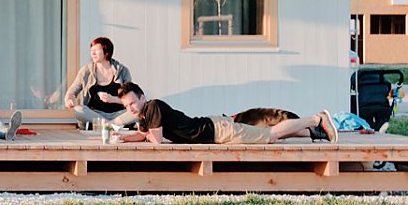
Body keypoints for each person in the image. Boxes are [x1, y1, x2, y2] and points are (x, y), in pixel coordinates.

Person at [110, 83, 338, 145]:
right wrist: (123, 138)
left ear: (142, 97)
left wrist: (143, 135)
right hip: (213, 127)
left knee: (270, 135)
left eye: (132, 103)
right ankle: (314, 132)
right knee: (267, 134)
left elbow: (156, 140)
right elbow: (144, 135)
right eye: (127, 106)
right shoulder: (144, 115)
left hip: (218, 132)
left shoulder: (153, 107)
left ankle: (316, 119)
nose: (131, 108)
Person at [63, 37, 132, 126]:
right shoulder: (86, 71)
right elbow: (71, 92)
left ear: (106, 52)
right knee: (78, 110)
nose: (93, 53)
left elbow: (131, 98)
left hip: (118, 115)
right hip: (95, 115)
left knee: (139, 110)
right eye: (91, 50)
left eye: (96, 50)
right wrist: (69, 100)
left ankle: (107, 124)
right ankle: (110, 124)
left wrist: (113, 99)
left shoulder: (122, 71)